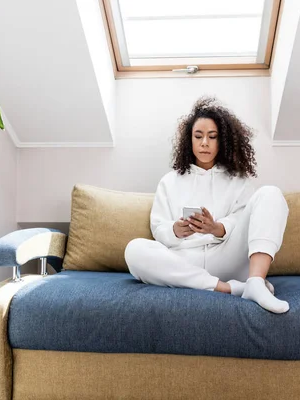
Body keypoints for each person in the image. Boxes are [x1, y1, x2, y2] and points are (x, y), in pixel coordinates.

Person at [124, 97, 290, 314]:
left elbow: (243, 219)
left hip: (227, 257)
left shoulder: (238, 180)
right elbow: (158, 228)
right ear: (189, 140)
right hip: (184, 262)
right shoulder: (170, 181)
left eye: (212, 137)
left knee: (271, 194)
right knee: (134, 249)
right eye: (198, 136)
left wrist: (217, 228)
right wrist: (175, 230)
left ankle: (256, 282)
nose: (204, 143)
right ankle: (228, 288)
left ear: (222, 142)